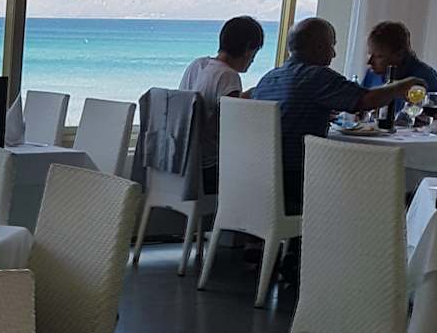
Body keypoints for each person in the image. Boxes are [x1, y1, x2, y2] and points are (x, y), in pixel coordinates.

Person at [252, 17, 423, 213]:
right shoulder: (316, 76)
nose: (333, 54)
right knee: (379, 186)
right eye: (331, 46)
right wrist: (404, 85)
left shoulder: (268, 79)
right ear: (318, 47)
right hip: (297, 182)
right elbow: (366, 100)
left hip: (263, 181)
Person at [179, 15, 264, 182]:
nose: (253, 59)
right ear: (248, 49)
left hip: (184, 162)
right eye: (254, 52)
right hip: (208, 168)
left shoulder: (197, 65)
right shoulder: (229, 76)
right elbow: (228, 128)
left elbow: (209, 104)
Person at [361, 20, 437, 95]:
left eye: (379, 56)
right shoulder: (372, 75)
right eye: (369, 54)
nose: (369, 62)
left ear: (399, 55)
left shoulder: (426, 79)